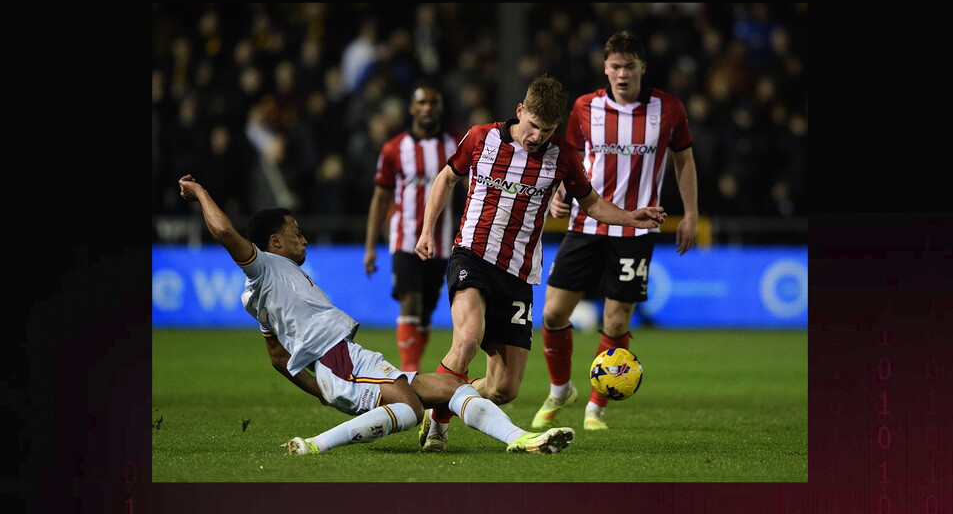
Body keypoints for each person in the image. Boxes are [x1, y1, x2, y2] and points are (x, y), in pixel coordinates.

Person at [176, 174, 576, 455]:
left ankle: (520, 438)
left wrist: (322, 393)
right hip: (338, 361)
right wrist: (199, 192)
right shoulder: (263, 266)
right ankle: (317, 445)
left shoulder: (265, 294)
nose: (305, 238)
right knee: (410, 409)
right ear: (274, 242)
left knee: (449, 389)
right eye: (296, 232)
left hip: (345, 362)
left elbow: (279, 359)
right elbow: (226, 233)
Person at [414, 75, 667, 452]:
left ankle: (435, 397)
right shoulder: (482, 138)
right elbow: (446, 179)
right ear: (520, 112)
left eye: (546, 130)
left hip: (517, 274)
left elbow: (593, 203)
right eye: (532, 125)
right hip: (473, 255)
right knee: (467, 339)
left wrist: (632, 217)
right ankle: (438, 427)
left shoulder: (564, 157)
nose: (536, 136)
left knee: (503, 389)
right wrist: (427, 231)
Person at [531, 31, 698, 432]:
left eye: (629, 66)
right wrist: (556, 192)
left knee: (617, 321)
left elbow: (684, 162)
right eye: (615, 66)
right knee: (553, 312)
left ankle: (596, 407)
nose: (622, 74)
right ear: (605, 68)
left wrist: (691, 212)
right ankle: (560, 389)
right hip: (586, 223)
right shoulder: (586, 108)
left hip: (636, 231)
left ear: (642, 67)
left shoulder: (668, 109)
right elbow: (566, 157)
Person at [363, 84, 459, 372]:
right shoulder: (395, 149)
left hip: (440, 241)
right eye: (422, 103)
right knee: (410, 301)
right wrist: (369, 246)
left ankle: (412, 366)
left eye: (433, 102)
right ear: (412, 109)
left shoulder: (454, 147)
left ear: (439, 108)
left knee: (426, 310)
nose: (427, 108)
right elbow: (380, 198)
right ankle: (410, 370)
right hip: (404, 239)